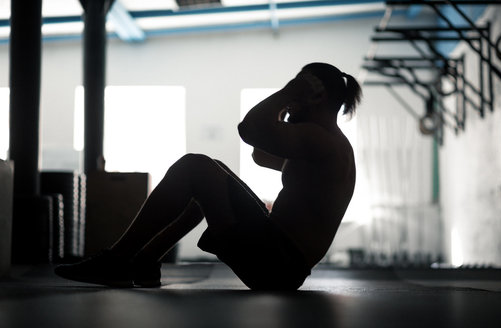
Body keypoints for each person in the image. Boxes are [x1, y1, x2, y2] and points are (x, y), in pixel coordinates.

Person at [55, 62, 361, 290]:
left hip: (277, 263)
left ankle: (117, 260)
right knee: (212, 171)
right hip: (279, 261)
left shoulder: (320, 140)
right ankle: (145, 261)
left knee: (195, 167)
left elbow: (250, 129)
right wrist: (287, 106)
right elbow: (260, 152)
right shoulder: (324, 144)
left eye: (297, 94)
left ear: (314, 97)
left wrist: (288, 93)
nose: (291, 102)